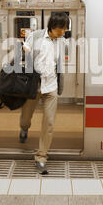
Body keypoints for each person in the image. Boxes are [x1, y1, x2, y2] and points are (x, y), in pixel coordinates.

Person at [19, 12, 69, 174]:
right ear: (53, 26)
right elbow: (25, 51)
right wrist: (26, 50)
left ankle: (41, 157)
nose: (64, 31)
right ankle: (24, 128)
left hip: (51, 86)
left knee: (49, 122)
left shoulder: (62, 42)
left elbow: (59, 62)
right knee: (26, 116)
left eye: (65, 29)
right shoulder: (36, 36)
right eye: (62, 28)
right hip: (34, 85)